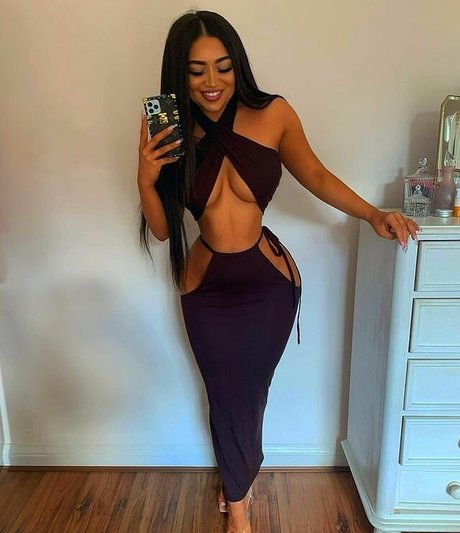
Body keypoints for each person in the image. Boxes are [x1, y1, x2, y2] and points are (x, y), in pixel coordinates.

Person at [137, 10, 419, 533]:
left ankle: (238, 503)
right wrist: (146, 178)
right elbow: (160, 230)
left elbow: (315, 174)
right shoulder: (170, 129)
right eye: (197, 71)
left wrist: (372, 214)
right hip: (206, 288)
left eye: (223, 67)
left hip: (267, 284)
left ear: (237, 65)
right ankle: (240, 486)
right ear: (179, 72)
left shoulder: (273, 115)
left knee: (248, 389)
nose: (212, 81)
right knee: (224, 391)